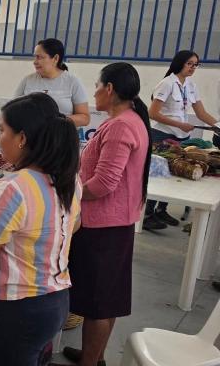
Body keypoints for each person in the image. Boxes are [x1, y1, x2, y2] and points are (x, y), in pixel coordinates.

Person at [0, 93, 81, 366]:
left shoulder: (12, 189)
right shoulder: (68, 180)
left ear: (22, 138)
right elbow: (74, 225)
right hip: (57, 301)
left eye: (2, 131)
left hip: (19, 309)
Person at [62, 63, 151, 366]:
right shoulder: (129, 120)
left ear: (109, 89)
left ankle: (90, 362)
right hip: (115, 223)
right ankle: (95, 356)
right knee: (105, 300)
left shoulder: (120, 126)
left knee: (97, 304)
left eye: (97, 86)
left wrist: (69, 194)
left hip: (103, 226)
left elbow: (103, 183)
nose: (95, 92)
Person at [143, 50, 219, 230]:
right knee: (159, 175)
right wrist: (179, 124)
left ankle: (161, 210)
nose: (193, 68)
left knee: (174, 174)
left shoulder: (191, 85)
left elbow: (201, 113)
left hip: (182, 136)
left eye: (196, 65)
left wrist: (217, 125)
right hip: (163, 135)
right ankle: (147, 215)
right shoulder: (167, 83)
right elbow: (152, 113)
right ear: (180, 63)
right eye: (189, 64)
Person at [14, 38, 90, 127]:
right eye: (35, 57)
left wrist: (56, 120)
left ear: (55, 58)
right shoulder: (28, 80)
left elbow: (84, 118)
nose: (35, 62)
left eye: (40, 57)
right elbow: (12, 110)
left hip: (60, 134)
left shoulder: (72, 81)